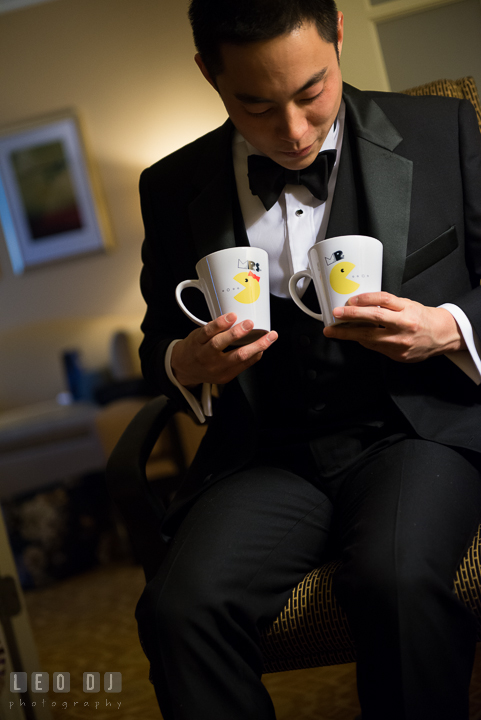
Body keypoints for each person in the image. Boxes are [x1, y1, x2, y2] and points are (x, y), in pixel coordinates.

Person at [135, 1, 481, 718]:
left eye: (311, 92)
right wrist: (186, 364)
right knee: (177, 610)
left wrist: (445, 328)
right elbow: (156, 345)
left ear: (338, 36)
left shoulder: (442, 130)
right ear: (209, 73)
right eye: (256, 104)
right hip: (266, 456)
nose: (292, 131)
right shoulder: (168, 187)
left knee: (396, 582)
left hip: (411, 433)